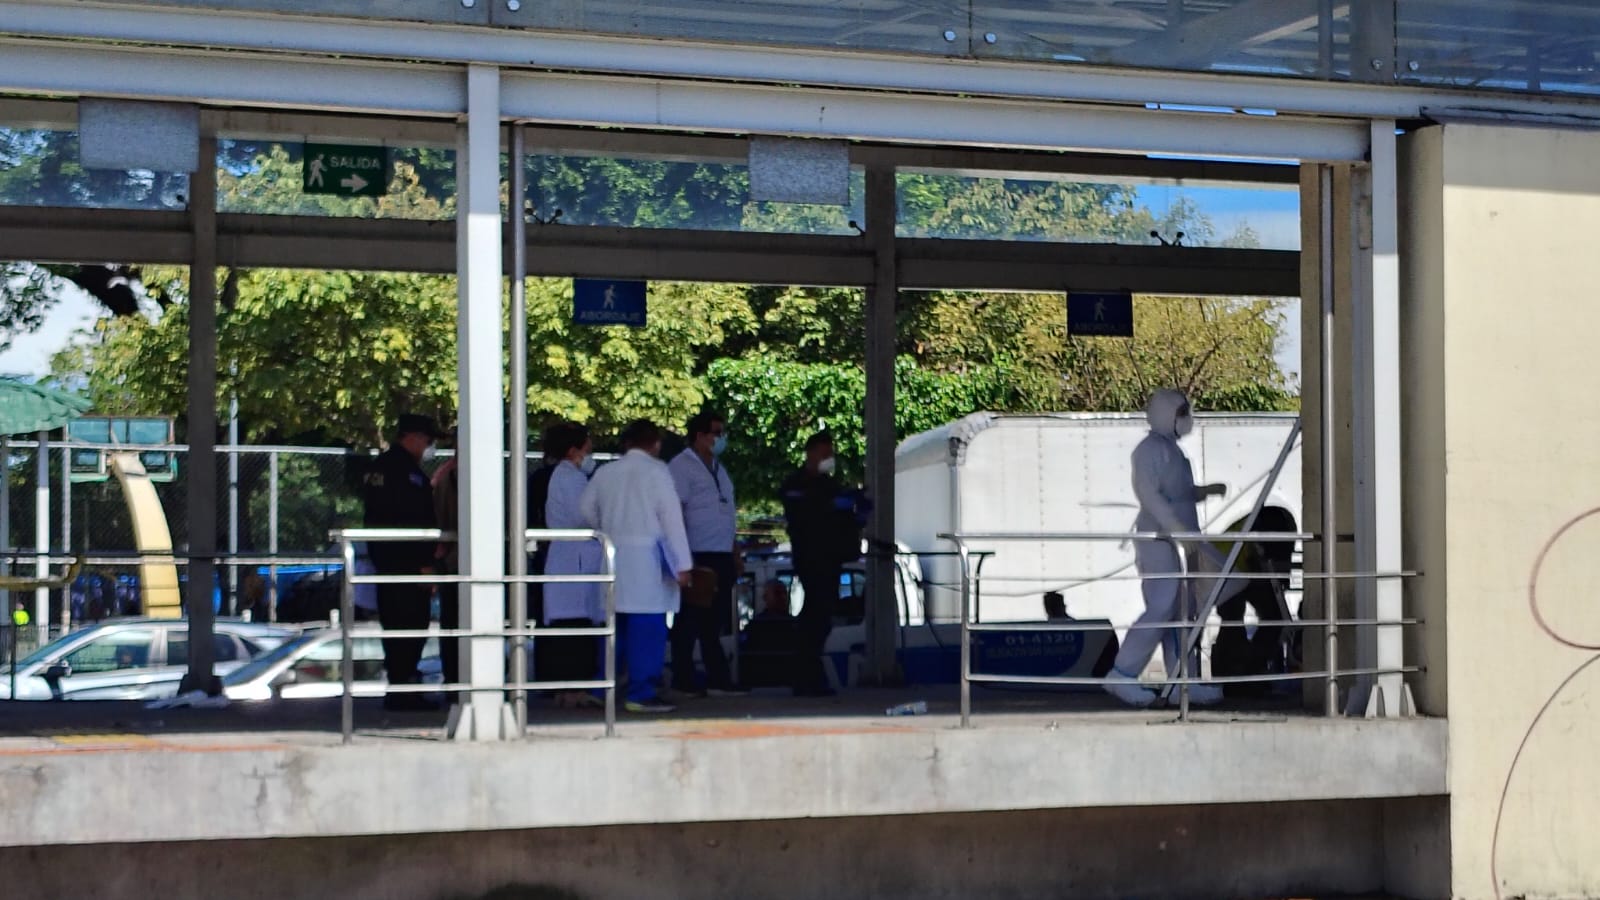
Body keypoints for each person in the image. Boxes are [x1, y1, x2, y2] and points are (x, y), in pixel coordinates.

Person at [1103, 390, 1228, 709]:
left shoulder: (1171, 450)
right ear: (1167, 415)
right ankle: (1122, 673)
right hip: (1158, 539)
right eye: (1183, 413)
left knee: (1181, 611)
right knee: (1162, 604)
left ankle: (1181, 682)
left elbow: (1179, 492)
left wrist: (1204, 492)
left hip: (1178, 540)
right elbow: (1150, 495)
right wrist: (1176, 528)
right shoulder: (1149, 450)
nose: (1188, 420)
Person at [579, 419, 692, 714]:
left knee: (614, 627)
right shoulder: (658, 472)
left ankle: (602, 689)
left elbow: (585, 508)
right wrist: (683, 563)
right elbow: (671, 519)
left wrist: (607, 528)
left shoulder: (606, 472)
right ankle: (641, 693)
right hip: (647, 560)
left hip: (613, 555)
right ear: (656, 444)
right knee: (647, 627)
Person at [362, 413, 441, 711]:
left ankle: (401, 685)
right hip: (407, 564)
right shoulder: (404, 472)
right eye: (427, 440)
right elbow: (412, 519)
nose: (429, 447)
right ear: (412, 437)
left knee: (397, 626)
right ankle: (403, 688)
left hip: (387, 562)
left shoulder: (382, 467)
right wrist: (424, 563)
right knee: (410, 625)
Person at [667, 410, 745, 697]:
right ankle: (683, 678)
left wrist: (735, 552)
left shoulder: (719, 468)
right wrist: (683, 555)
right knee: (689, 620)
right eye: (716, 433)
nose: (720, 438)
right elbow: (676, 511)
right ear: (699, 435)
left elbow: (727, 514)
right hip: (697, 553)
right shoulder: (681, 466)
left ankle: (717, 679)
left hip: (722, 552)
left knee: (714, 622)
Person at [780, 431, 861, 697]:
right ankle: (805, 677)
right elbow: (802, 513)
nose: (829, 459)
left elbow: (841, 517)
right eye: (825, 454)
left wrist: (855, 512)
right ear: (811, 453)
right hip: (810, 558)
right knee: (814, 617)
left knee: (822, 617)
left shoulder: (830, 485)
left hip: (831, 558)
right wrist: (830, 506)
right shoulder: (796, 484)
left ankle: (810, 675)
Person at [539, 421, 605, 709]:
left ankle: (569, 688)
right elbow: (585, 516)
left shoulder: (567, 476)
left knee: (572, 625)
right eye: (586, 447)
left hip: (572, 559)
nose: (590, 452)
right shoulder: (571, 478)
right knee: (574, 627)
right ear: (573, 450)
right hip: (573, 560)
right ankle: (573, 689)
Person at [430, 427, 460, 699]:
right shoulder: (452, 474)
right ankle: (456, 683)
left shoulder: (445, 472)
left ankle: (455, 681)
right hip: (454, 559)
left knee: (452, 624)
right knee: (454, 624)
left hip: (451, 558)